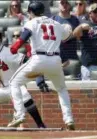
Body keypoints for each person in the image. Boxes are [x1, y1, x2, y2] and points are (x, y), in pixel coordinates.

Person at [8, 2, 75, 130]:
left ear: (31, 12)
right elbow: (66, 35)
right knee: (61, 89)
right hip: (55, 60)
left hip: (38, 59)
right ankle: (69, 119)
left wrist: (14, 47)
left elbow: (23, 37)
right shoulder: (55, 23)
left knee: (14, 83)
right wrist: (67, 28)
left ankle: (19, 114)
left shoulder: (31, 22)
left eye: (29, 13)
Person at [73, 3, 97, 80]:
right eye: (95, 11)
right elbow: (74, 34)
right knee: (88, 91)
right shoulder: (85, 24)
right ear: (90, 13)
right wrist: (80, 27)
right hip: (89, 67)